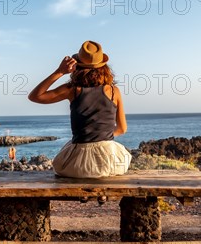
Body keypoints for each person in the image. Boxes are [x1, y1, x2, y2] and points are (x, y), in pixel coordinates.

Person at [28, 40, 132, 178]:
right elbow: (122, 129)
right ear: (104, 66)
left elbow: (35, 96)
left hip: (78, 166)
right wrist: (101, 135)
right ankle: (101, 191)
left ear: (77, 65)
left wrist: (59, 72)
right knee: (106, 168)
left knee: (69, 148)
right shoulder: (114, 91)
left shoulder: (72, 90)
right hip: (110, 163)